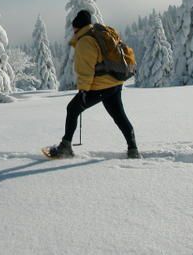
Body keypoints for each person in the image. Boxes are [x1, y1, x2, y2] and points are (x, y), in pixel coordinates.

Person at [49, 10, 141, 159]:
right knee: (119, 115)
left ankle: (65, 147)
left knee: (72, 109)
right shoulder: (98, 34)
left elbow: (85, 69)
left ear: (77, 27)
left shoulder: (85, 41)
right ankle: (133, 149)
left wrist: (83, 91)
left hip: (101, 86)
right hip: (115, 83)